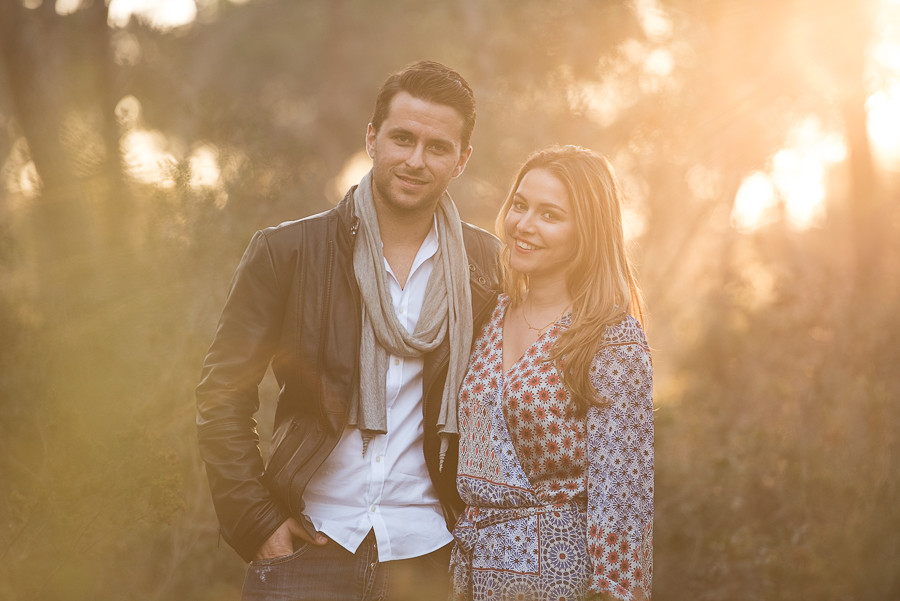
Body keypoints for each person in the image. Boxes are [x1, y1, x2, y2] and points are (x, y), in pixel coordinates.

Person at [196, 60, 502, 601]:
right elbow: (222, 393)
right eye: (402, 138)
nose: (415, 160)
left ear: (462, 160)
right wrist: (257, 522)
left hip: (429, 554)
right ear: (372, 138)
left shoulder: (488, 268)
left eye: (437, 147)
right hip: (307, 546)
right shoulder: (288, 252)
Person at [449, 145, 654, 601]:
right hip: (472, 573)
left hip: (558, 579)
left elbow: (622, 499)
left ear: (588, 232)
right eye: (520, 206)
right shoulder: (485, 314)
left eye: (549, 215)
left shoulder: (611, 339)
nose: (524, 225)